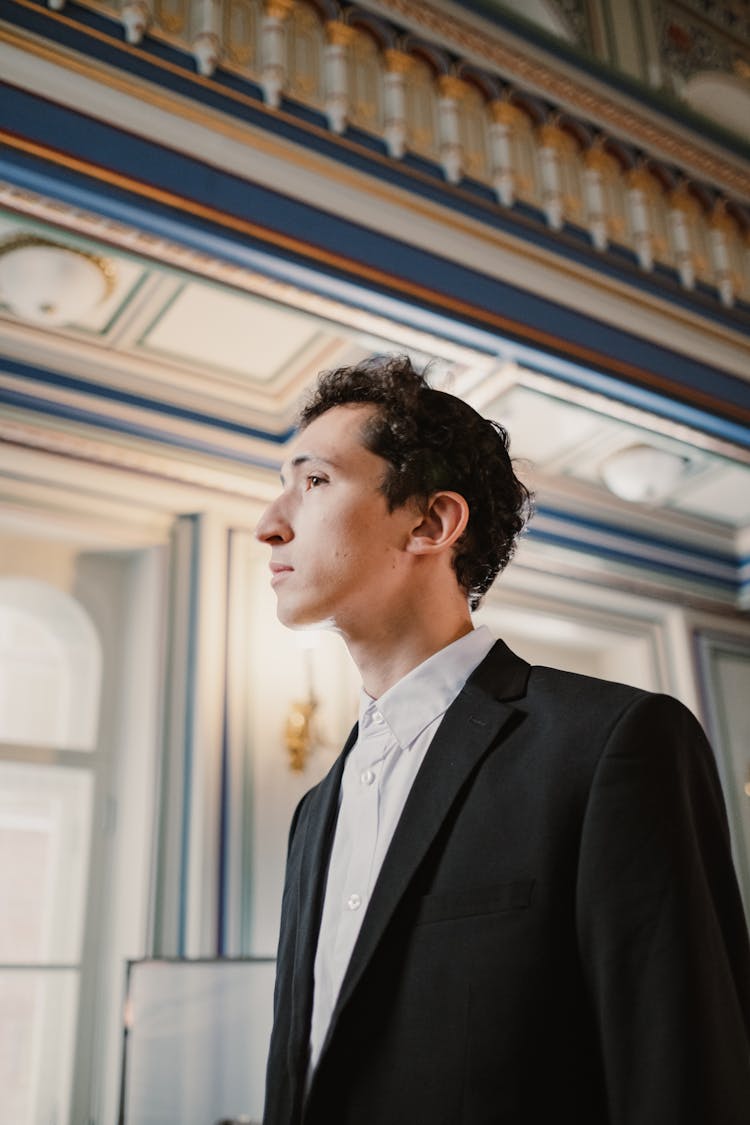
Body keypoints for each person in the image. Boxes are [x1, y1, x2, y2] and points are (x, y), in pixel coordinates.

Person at [255, 354, 750, 1125]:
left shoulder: (613, 746)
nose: (269, 522)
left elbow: (683, 1079)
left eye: (314, 480)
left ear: (431, 522)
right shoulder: (314, 811)